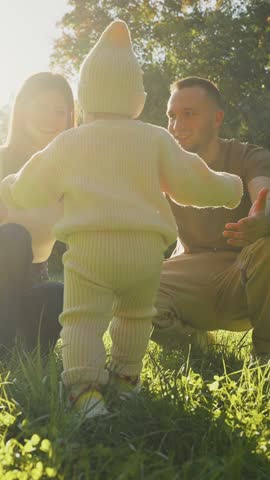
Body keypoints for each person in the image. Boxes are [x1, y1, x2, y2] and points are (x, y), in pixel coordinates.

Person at [0, 22, 243, 418]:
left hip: (89, 252)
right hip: (145, 253)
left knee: (82, 319)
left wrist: (9, 189)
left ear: (84, 98)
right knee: (134, 316)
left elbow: (31, 183)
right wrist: (230, 187)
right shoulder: (154, 139)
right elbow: (192, 181)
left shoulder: (69, 143)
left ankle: (84, 392)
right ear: (138, 96)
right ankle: (126, 379)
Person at [151, 76, 270, 363]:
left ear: (217, 119)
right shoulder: (161, 168)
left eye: (189, 114)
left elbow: (264, 191)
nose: (177, 126)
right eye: (172, 116)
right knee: (132, 286)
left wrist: (264, 218)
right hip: (194, 274)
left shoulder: (247, 156)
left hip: (248, 272)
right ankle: (200, 348)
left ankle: (265, 354)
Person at [0, 72, 75, 352]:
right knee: (13, 236)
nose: (50, 119)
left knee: (59, 293)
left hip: (30, 288)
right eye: (40, 107)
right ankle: (3, 349)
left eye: (59, 111)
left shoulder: (69, 175)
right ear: (22, 110)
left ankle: (22, 347)